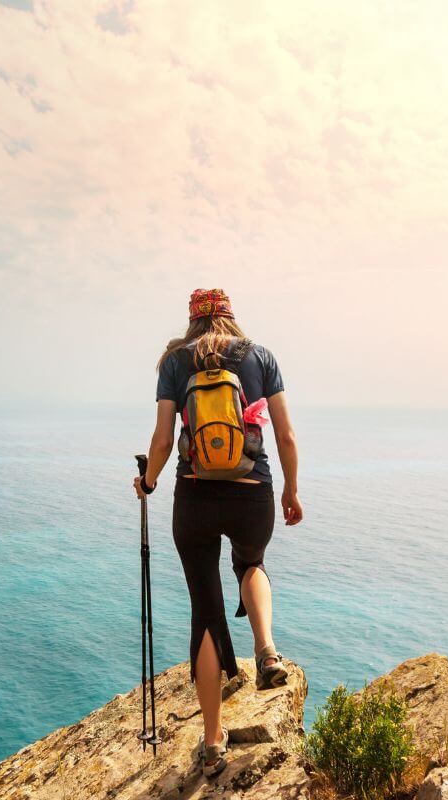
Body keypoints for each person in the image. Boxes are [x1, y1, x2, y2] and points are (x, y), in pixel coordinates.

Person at [133, 287, 303, 778]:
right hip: (253, 491)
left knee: (205, 612)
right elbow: (286, 435)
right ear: (230, 317)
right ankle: (266, 650)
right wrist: (291, 490)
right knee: (251, 563)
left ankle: (212, 743)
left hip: (195, 497)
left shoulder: (174, 362)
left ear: (193, 321)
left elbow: (163, 440)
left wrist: (148, 482)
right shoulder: (261, 356)